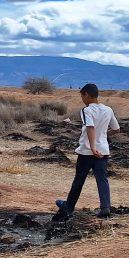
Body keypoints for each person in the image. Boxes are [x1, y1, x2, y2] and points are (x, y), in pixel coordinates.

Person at [53, 83, 120, 221]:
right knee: (102, 179)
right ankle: (105, 208)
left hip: (87, 151)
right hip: (103, 151)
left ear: (87, 95)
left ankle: (69, 207)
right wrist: (103, 137)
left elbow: (90, 127)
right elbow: (116, 129)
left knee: (79, 178)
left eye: (82, 96)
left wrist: (93, 147)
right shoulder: (108, 110)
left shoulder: (87, 110)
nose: (82, 99)